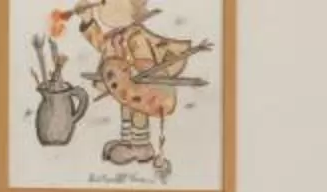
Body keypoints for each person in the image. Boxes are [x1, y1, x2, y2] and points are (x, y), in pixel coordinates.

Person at [51, 0, 213, 182]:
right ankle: (127, 142)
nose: (100, 9)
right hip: (125, 87)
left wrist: (130, 67)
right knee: (126, 108)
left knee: (137, 110)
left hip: (139, 88)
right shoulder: (116, 35)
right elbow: (101, 44)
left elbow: (144, 62)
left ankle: (141, 145)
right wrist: (88, 21)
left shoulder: (136, 36)